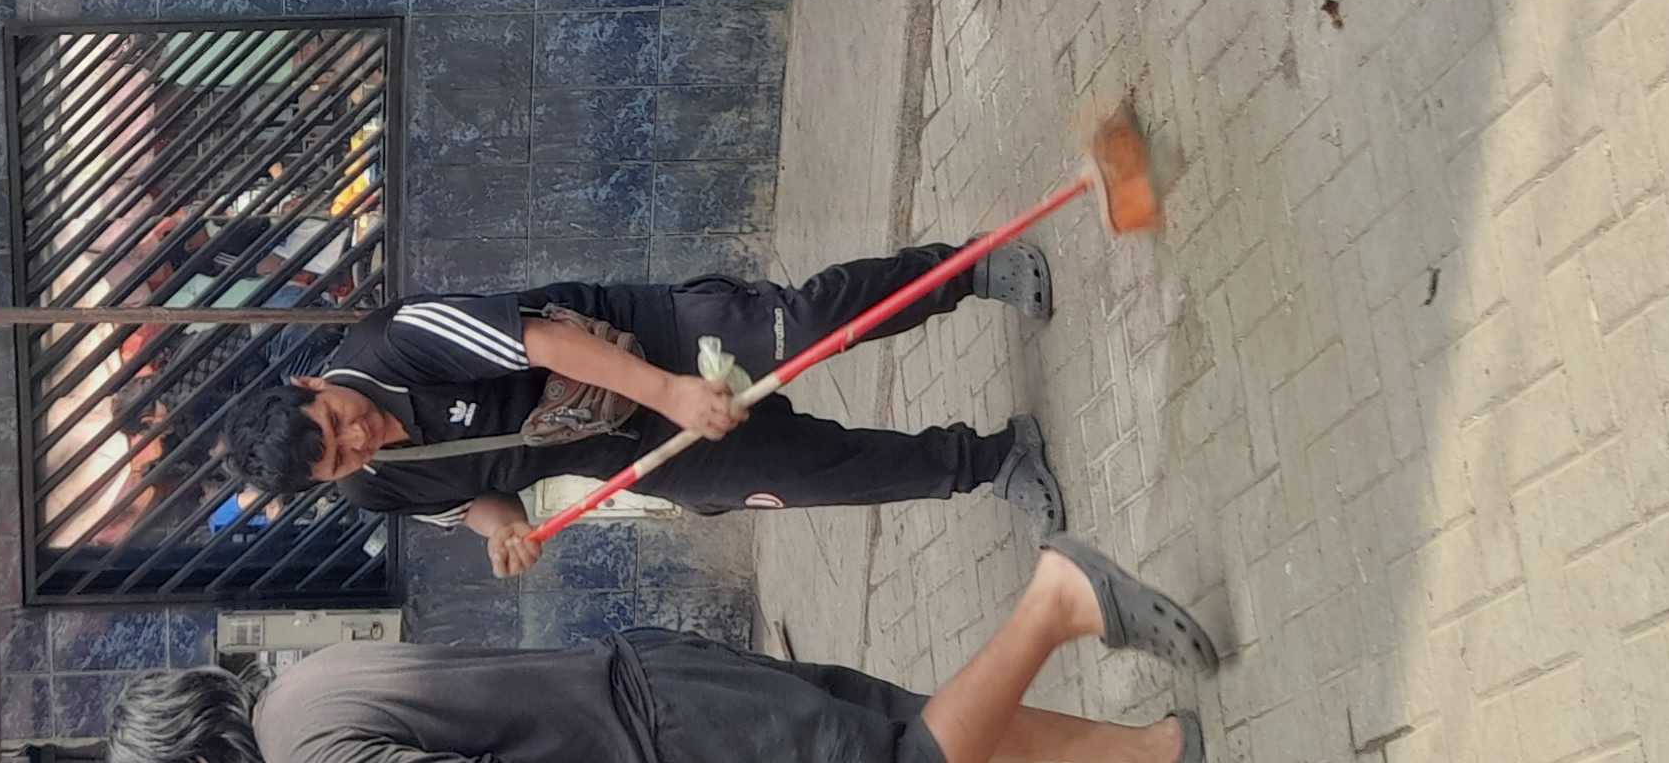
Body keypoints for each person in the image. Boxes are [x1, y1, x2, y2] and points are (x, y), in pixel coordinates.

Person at [215, 243, 1066, 575]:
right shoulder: (375, 487)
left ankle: (967, 270)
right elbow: (474, 500)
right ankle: (993, 461)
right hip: (619, 442)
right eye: (339, 457)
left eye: (336, 422)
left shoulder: (394, 341)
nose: (357, 437)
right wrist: (504, 533)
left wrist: (674, 389)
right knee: (804, 478)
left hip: (644, 340)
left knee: (807, 325)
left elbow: (545, 341)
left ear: (312, 387)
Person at [107, 535, 1219, 763]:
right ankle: (1153, 752)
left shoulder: (307, 756)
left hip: (666, 738)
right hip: (651, 676)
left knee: (910, 762)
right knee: (904, 722)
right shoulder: (301, 685)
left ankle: (1054, 601)